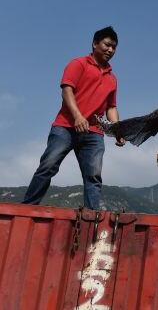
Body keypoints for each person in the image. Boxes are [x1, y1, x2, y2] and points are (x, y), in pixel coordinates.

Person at [22, 26, 125, 210]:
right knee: (48, 166)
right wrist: (78, 116)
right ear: (95, 44)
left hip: (94, 133)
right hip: (65, 127)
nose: (110, 50)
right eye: (107, 45)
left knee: (93, 176)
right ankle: (27, 209)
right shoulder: (78, 64)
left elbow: (111, 107)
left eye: (114, 47)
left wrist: (117, 130)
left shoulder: (112, 79)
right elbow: (66, 90)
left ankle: (92, 217)